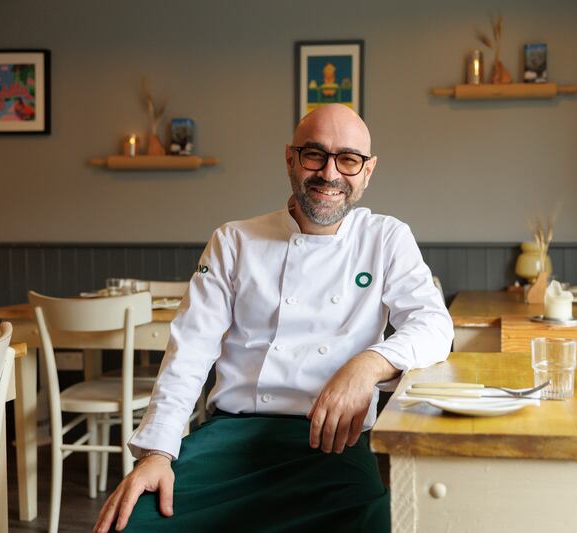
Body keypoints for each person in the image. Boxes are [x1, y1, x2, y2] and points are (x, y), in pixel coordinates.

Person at [93, 103, 454, 533]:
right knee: (131, 525)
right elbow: (189, 351)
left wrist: (367, 365)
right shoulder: (233, 241)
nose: (330, 173)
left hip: (334, 445)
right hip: (231, 436)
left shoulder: (387, 238)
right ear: (291, 158)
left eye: (348, 160)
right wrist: (156, 454)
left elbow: (435, 325)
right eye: (314, 154)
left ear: (368, 170)